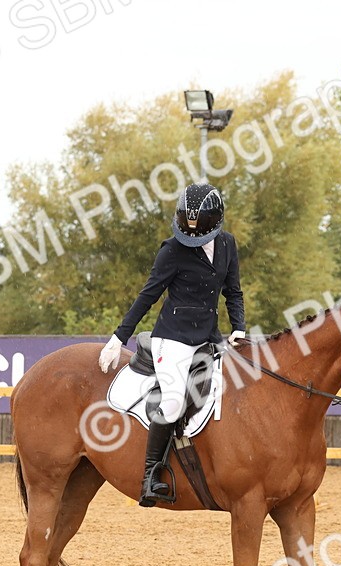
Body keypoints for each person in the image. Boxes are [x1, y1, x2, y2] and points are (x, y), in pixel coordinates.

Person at [98, 183, 246, 507]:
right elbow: (148, 296)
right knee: (175, 401)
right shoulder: (172, 249)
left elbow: (232, 291)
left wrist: (239, 329)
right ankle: (151, 475)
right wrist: (117, 338)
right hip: (172, 340)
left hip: (209, 337)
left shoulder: (227, 245)